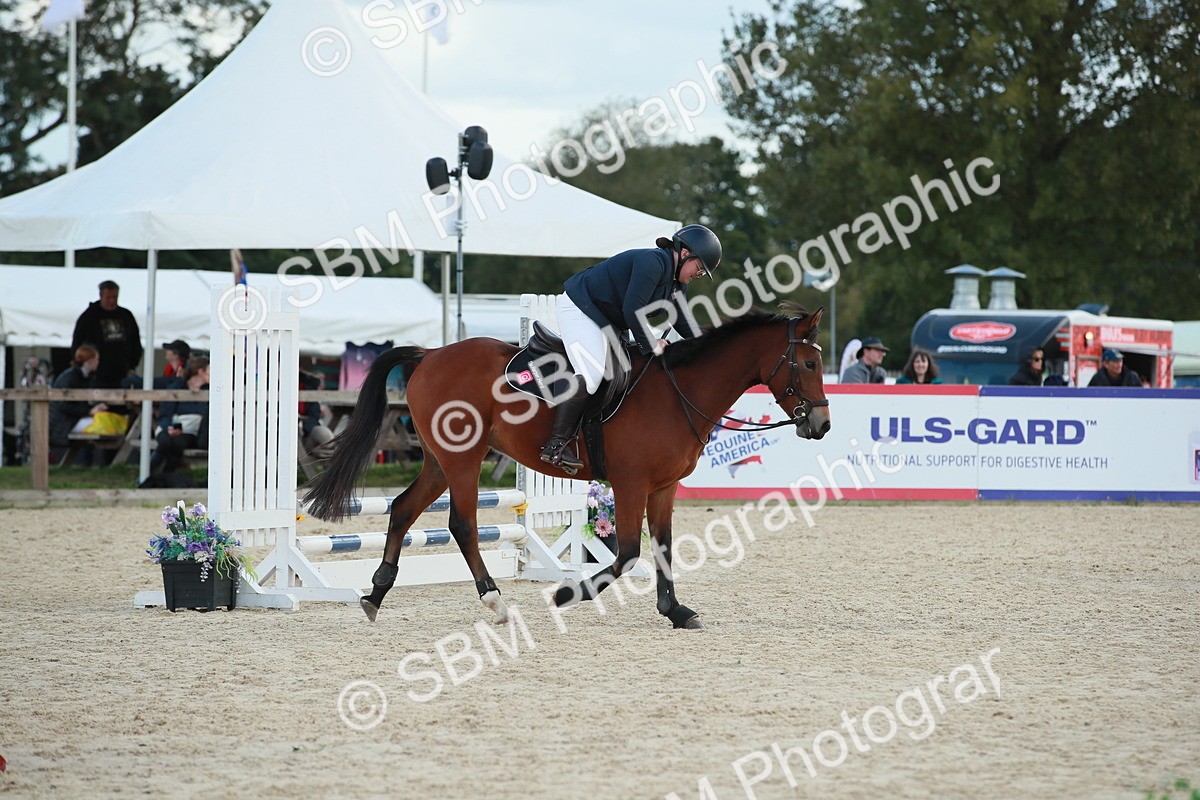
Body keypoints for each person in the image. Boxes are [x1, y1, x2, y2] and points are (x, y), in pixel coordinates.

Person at [538, 224, 722, 473]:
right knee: (592, 375)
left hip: (608, 320)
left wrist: (711, 347)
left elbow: (683, 321)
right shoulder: (653, 263)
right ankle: (556, 443)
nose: (697, 276)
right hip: (581, 308)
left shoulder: (677, 284)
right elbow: (633, 310)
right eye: (699, 269)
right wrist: (652, 345)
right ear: (686, 253)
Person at [71, 280, 143, 389]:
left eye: (115, 297)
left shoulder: (126, 316)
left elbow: (136, 342)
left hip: (122, 374)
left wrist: (132, 366)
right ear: (101, 295)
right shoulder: (89, 316)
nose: (112, 301)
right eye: (108, 297)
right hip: (96, 376)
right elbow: (77, 342)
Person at [151, 356, 210, 474]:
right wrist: (170, 427)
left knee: (178, 443)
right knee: (166, 442)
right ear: (201, 371)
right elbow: (165, 413)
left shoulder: (212, 390)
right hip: (171, 427)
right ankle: (148, 474)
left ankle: (166, 475)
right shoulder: (177, 387)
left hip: (192, 432)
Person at [49, 345, 107, 464]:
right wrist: (89, 411)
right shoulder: (71, 378)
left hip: (68, 420)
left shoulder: (81, 376)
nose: (98, 362)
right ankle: (93, 462)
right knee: (100, 424)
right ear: (90, 361)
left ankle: (89, 462)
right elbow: (63, 405)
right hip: (63, 423)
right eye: (97, 359)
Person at [299, 369, 335, 453]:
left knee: (327, 437)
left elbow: (314, 416)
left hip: (308, 430)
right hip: (291, 431)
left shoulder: (310, 387)